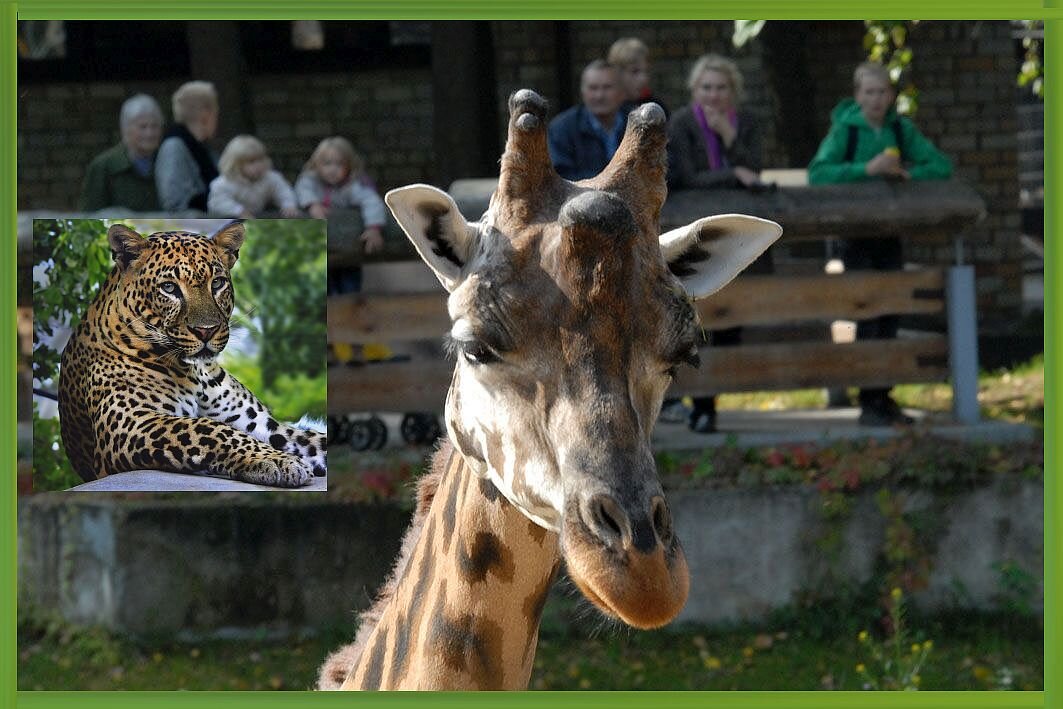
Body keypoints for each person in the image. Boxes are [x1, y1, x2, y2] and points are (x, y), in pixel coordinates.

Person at [808, 61, 953, 426]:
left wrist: (908, 174)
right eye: (868, 93)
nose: (875, 99)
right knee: (867, 314)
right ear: (858, 96)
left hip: (889, 232)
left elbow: (940, 165)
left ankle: (882, 394)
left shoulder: (900, 129)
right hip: (854, 235)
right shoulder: (846, 131)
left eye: (882, 92)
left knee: (891, 313)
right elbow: (819, 173)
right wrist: (864, 170)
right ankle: (868, 398)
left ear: (890, 96)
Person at [667, 53, 773, 433]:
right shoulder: (680, 123)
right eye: (706, 87)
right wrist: (732, 174)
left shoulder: (745, 124)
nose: (713, 95)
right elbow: (685, 178)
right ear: (695, 91)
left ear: (733, 91)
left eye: (721, 87)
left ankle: (720, 396)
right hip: (697, 234)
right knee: (701, 322)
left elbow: (754, 171)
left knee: (732, 322)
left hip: (737, 234)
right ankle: (702, 404)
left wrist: (728, 139)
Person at [296, 136, 388, 366]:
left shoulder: (354, 186)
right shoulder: (311, 183)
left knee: (350, 297)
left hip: (347, 257)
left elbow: (372, 202)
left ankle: (356, 347)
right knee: (323, 299)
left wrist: (373, 228)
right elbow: (301, 189)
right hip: (321, 257)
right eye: (327, 164)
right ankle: (328, 349)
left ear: (349, 166)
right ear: (316, 166)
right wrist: (312, 205)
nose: (332, 170)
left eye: (338, 164)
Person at [547, 60, 631, 181]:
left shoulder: (637, 126)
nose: (599, 96)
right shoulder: (561, 128)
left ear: (622, 92)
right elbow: (561, 176)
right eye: (593, 88)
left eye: (607, 87)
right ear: (582, 92)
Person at [78, 93, 163, 212]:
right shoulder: (103, 166)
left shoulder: (167, 162)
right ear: (126, 128)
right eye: (143, 127)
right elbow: (90, 213)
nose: (149, 133)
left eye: (154, 126)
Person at [155, 81, 220, 212]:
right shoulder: (174, 147)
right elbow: (175, 203)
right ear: (206, 115)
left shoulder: (201, 147)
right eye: (216, 113)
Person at [208, 135, 299, 218]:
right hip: (227, 222)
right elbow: (218, 202)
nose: (259, 165)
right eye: (251, 162)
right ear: (236, 164)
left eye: (261, 159)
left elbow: (283, 190)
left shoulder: (269, 177)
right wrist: (239, 211)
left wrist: (289, 205)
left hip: (255, 218)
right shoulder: (224, 183)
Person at [607, 37, 668, 116]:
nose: (644, 78)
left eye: (646, 71)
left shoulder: (656, 108)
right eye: (634, 71)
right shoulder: (607, 110)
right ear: (617, 72)